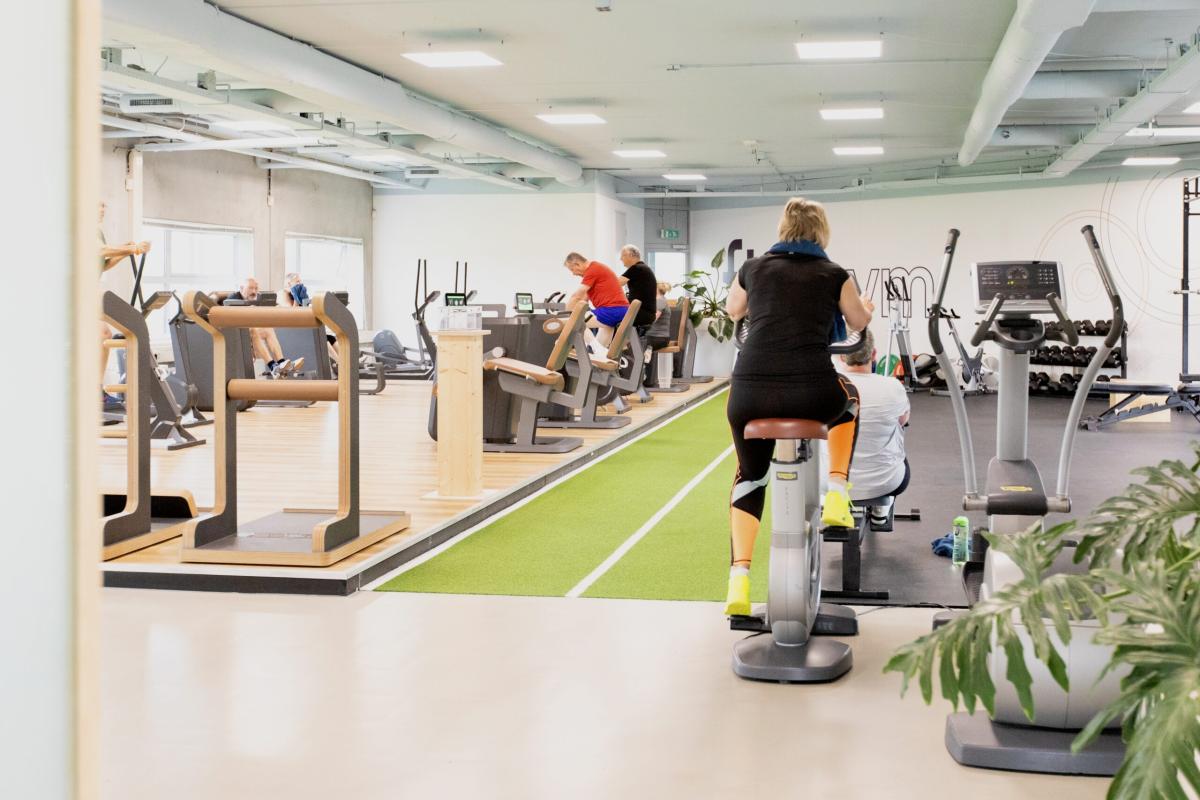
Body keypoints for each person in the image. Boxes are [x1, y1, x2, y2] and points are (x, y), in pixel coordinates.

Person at [722, 197, 874, 617]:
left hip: (749, 394)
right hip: (813, 393)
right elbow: (858, 322)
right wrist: (865, 310)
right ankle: (838, 492)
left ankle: (739, 577)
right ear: (821, 231)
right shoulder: (834, 274)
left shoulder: (752, 268)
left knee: (751, 475)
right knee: (850, 398)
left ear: (783, 228)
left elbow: (734, 310)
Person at [839, 329, 911, 531]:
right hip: (887, 482)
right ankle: (881, 510)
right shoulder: (893, 387)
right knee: (897, 429)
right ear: (874, 354)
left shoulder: (828, 387)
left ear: (842, 356)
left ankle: (850, 504)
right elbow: (904, 420)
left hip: (833, 483)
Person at [225, 277, 301, 377]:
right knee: (254, 330)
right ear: (241, 288)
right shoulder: (233, 298)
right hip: (236, 334)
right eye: (250, 288)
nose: (254, 291)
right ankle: (273, 366)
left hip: (249, 333)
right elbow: (229, 318)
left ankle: (281, 363)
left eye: (256, 288)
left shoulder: (256, 299)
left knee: (268, 329)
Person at [563, 252, 629, 350]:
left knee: (574, 322)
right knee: (597, 352)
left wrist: (566, 315)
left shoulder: (592, 270)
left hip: (612, 311)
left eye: (572, 269)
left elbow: (576, 296)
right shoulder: (596, 269)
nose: (573, 274)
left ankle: (596, 349)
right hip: (617, 311)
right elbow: (583, 300)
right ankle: (597, 352)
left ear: (577, 264)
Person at [616, 245, 657, 335]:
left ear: (631, 255)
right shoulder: (643, 268)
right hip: (646, 314)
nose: (620, 259)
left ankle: (611, 344)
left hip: (640, 313)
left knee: (608, 318)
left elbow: (616, 284)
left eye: (623, 255)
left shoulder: (636, 268)